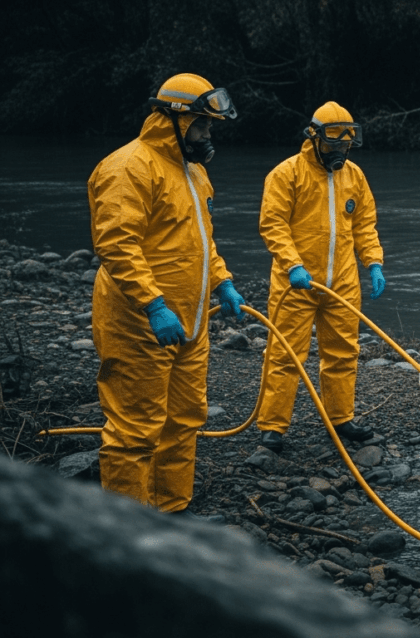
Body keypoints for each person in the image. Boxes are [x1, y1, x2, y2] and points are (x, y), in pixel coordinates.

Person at [89, 73, 247, 514]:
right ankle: (127, 534)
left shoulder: (194, 173)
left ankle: (171, 512)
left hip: (190, 321)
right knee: (135, 428)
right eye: (202, 125)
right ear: (175, 120)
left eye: (209, 126)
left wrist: (223, 281)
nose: (207, 134)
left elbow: (201, 239)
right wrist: (154, 305)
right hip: (138, 321)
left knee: (184, 420)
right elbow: (118, 244)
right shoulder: (128, 167)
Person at [255, 102, 385, 454]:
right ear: (313, 137)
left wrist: (373, 262)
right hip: (295, 282)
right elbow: (273, 225)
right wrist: (292, 264)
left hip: (342, 280)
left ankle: (341, 418)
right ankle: (272, 426)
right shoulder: (287, 174)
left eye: (345, 145)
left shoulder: (354, 176)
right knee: (285, 354)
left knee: (343, 353)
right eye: (333, 144)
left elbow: (363, 224)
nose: (339, 151)